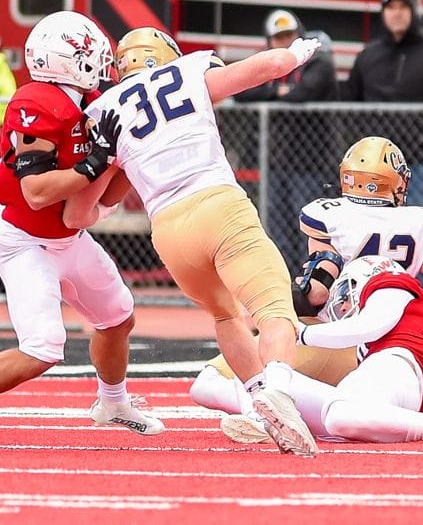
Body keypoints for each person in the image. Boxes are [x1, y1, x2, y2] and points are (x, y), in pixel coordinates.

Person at [75, 26, 328, 456]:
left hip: (169, 231)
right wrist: (298, 54)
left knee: (225, 316)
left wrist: (106, 205)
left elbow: (83, 211)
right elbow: (268, 66)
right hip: (217, 204)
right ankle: (279, 390)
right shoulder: (190, 70)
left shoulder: (104, 110)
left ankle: (255, 404)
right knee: (274, 310)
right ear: (165, 55)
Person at [187, 136, 423, 423]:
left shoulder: (329, 216)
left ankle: (258, 411)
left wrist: (265, 312)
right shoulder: (417, 224)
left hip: (332, 340)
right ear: (393, 183)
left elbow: (314, 295)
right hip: (393, 350)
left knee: (210, 384)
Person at [0, 11, 163, 435]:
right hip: (23, 238)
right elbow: (35, 191)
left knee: (118, 317)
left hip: (68, 235)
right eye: (89, 51)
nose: (100, 60)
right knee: (42, 349)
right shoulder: (36, 102)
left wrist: (122, 157)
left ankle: (113, 404)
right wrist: (94, 163)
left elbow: (104, 195)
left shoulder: (87, 102)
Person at [223, 256, 423, 445]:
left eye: (343, 295)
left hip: (399, 365)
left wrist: (302, 333)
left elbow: (369, 326)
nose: (342, 305)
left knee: (339, 416)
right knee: (255, 370)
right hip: (396, 384)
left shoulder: (391, 283)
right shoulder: (387, 293)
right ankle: (263, 421)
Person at [344, 0, 423, 303]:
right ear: (383, 14)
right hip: (372, 171)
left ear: (413, 12)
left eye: (402, 7)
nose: (396, 13)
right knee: (368, 232)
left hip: (420, 162)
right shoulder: (368, 55)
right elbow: (348, 104)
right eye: (390, 7)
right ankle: (367, 298)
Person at [232, 9, 338, 270]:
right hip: (278, 165)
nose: (285, 42)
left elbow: (301, 94)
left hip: (312, 165)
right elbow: (241, 92)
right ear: (269, 42)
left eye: (290, 36)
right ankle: (287, 287)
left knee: (308, 232)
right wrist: (277, 90)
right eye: (279, 38)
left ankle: (314, 288)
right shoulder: (267, 66)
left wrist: (273, 92)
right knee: (277, 233)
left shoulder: (318, 61)